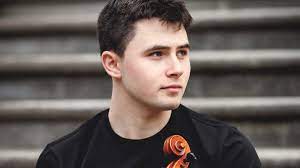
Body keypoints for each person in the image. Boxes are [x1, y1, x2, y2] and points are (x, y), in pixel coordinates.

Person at [36, 0, 261, 167]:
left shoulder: (228, 151)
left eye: (182, 52)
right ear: (113, 64)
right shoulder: (63, 160)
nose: (177, 69)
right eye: (156, 53)